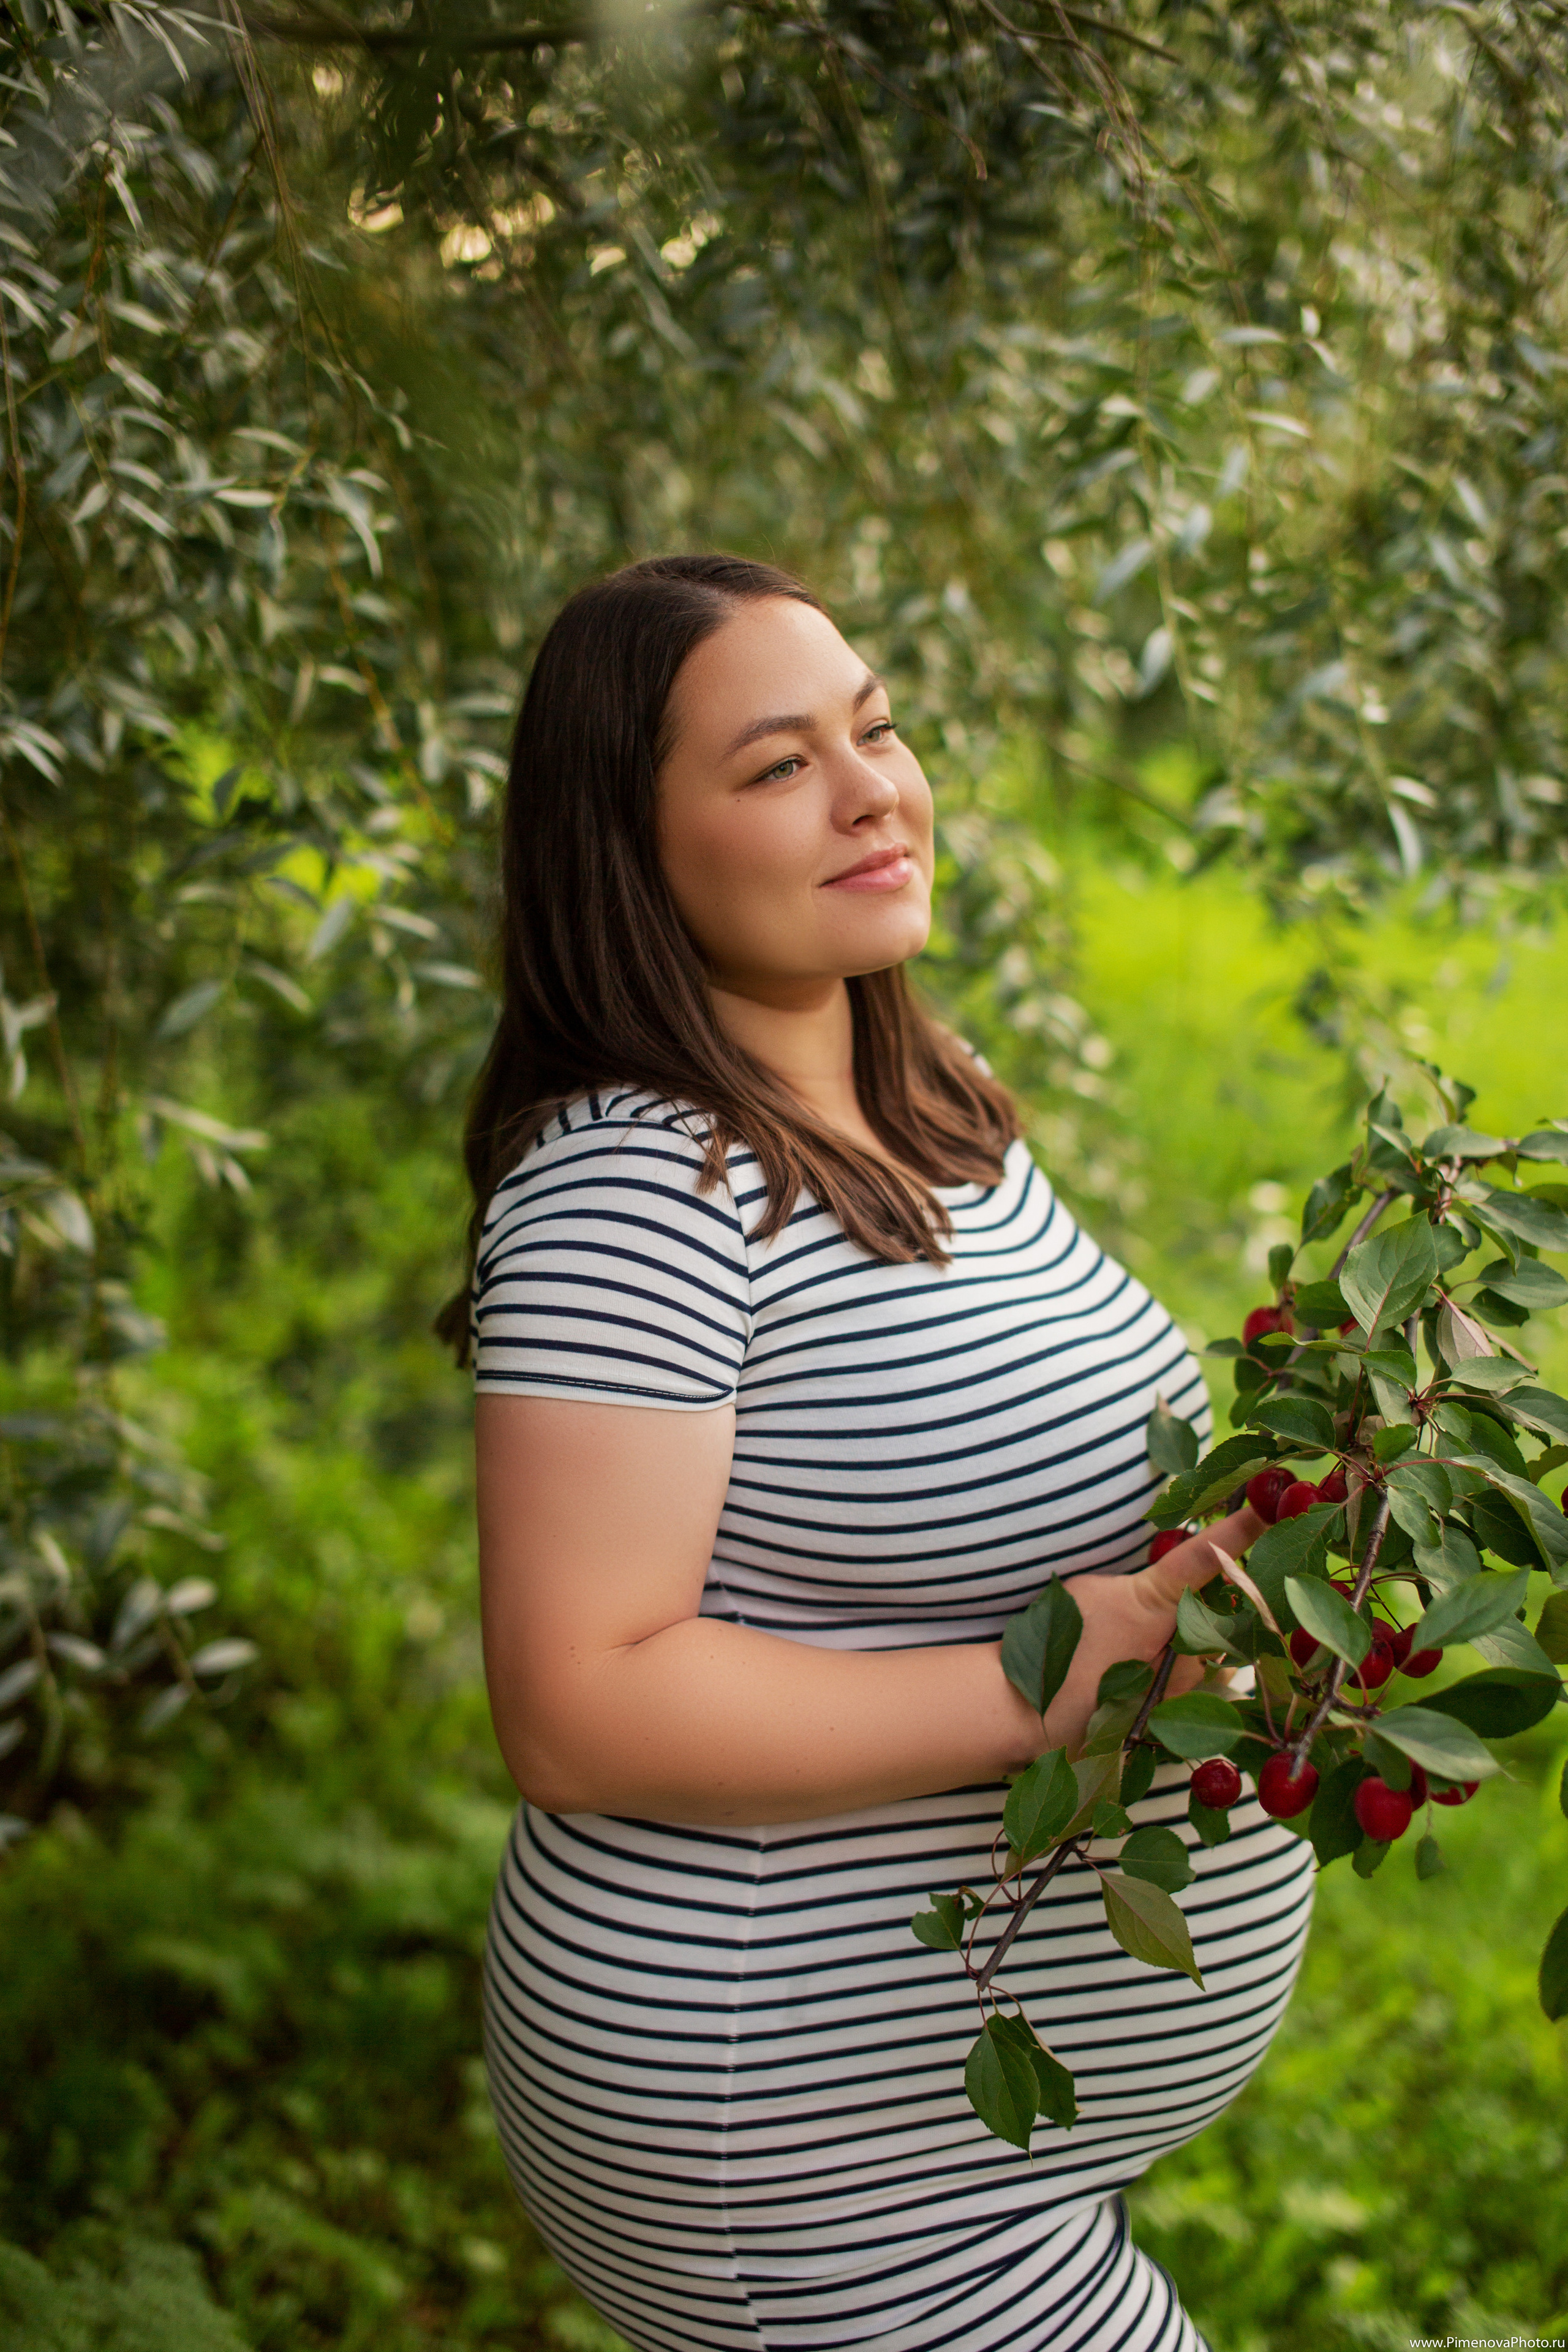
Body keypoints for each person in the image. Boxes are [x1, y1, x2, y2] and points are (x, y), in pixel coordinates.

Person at [448, 554, 1314, 2352]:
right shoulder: (640, 1191)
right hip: (798, 2146)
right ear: (628, 843)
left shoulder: (929, 1103)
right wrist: (1054, 1682)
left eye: (879, 729)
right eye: (780, 766)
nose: (873, 793)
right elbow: (575, 1703)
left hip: (956, 2136)